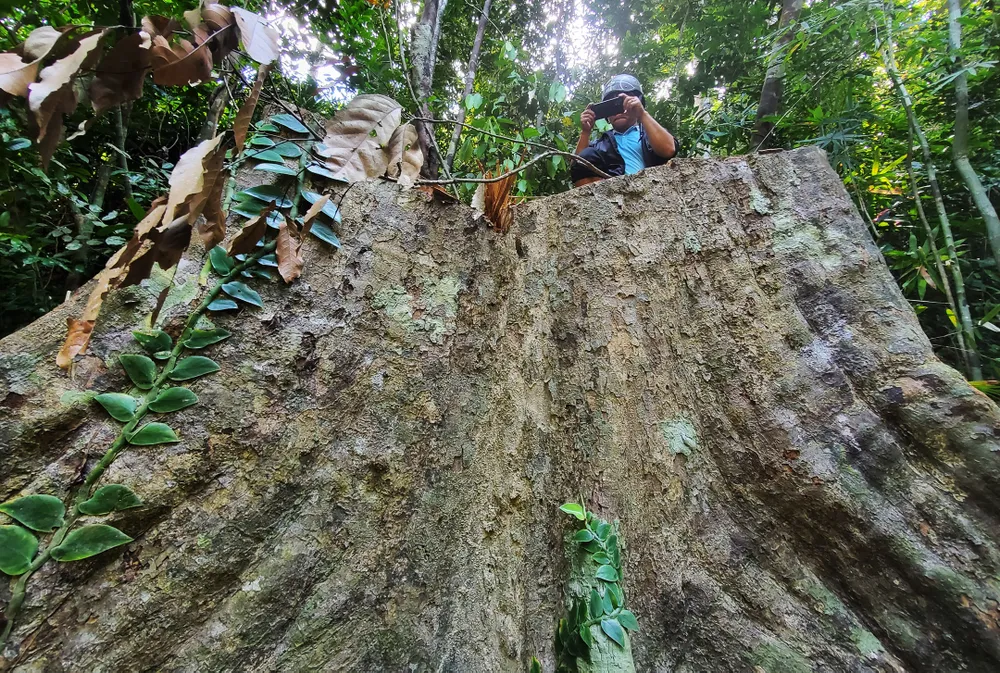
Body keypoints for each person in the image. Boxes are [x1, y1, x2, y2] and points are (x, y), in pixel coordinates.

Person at [571, 74, 679, 187]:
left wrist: (642, 114)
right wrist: (585, 132)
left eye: (622, 104)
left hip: (651, 190)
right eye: (612, 107)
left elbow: (668, 150)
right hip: (612, 196)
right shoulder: (601, 144)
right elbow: (578, 166)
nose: (618, 112)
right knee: (586, 155)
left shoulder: (650, 133)